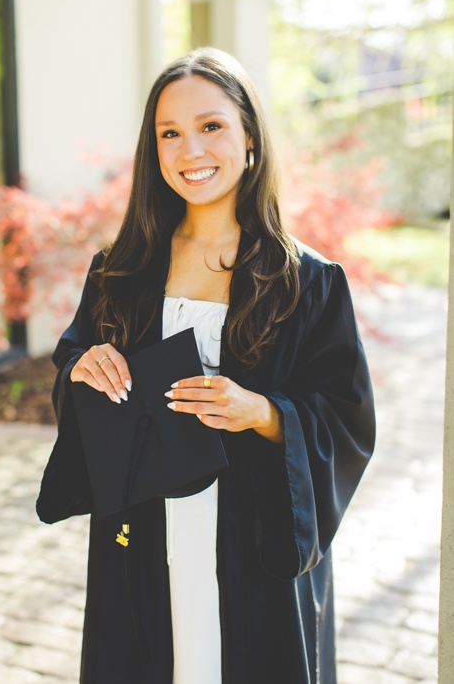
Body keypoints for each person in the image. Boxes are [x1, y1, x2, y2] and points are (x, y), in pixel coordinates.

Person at [36, 47, 376, 683]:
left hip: (255, 534)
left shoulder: (308, 281)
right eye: (170, 133)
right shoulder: (121, 270)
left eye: (211, 126)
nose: (190, 150)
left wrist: (265, 413)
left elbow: (347, 420)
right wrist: (84, 369)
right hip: (142, 527)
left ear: (249, 134)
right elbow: (74, 362)